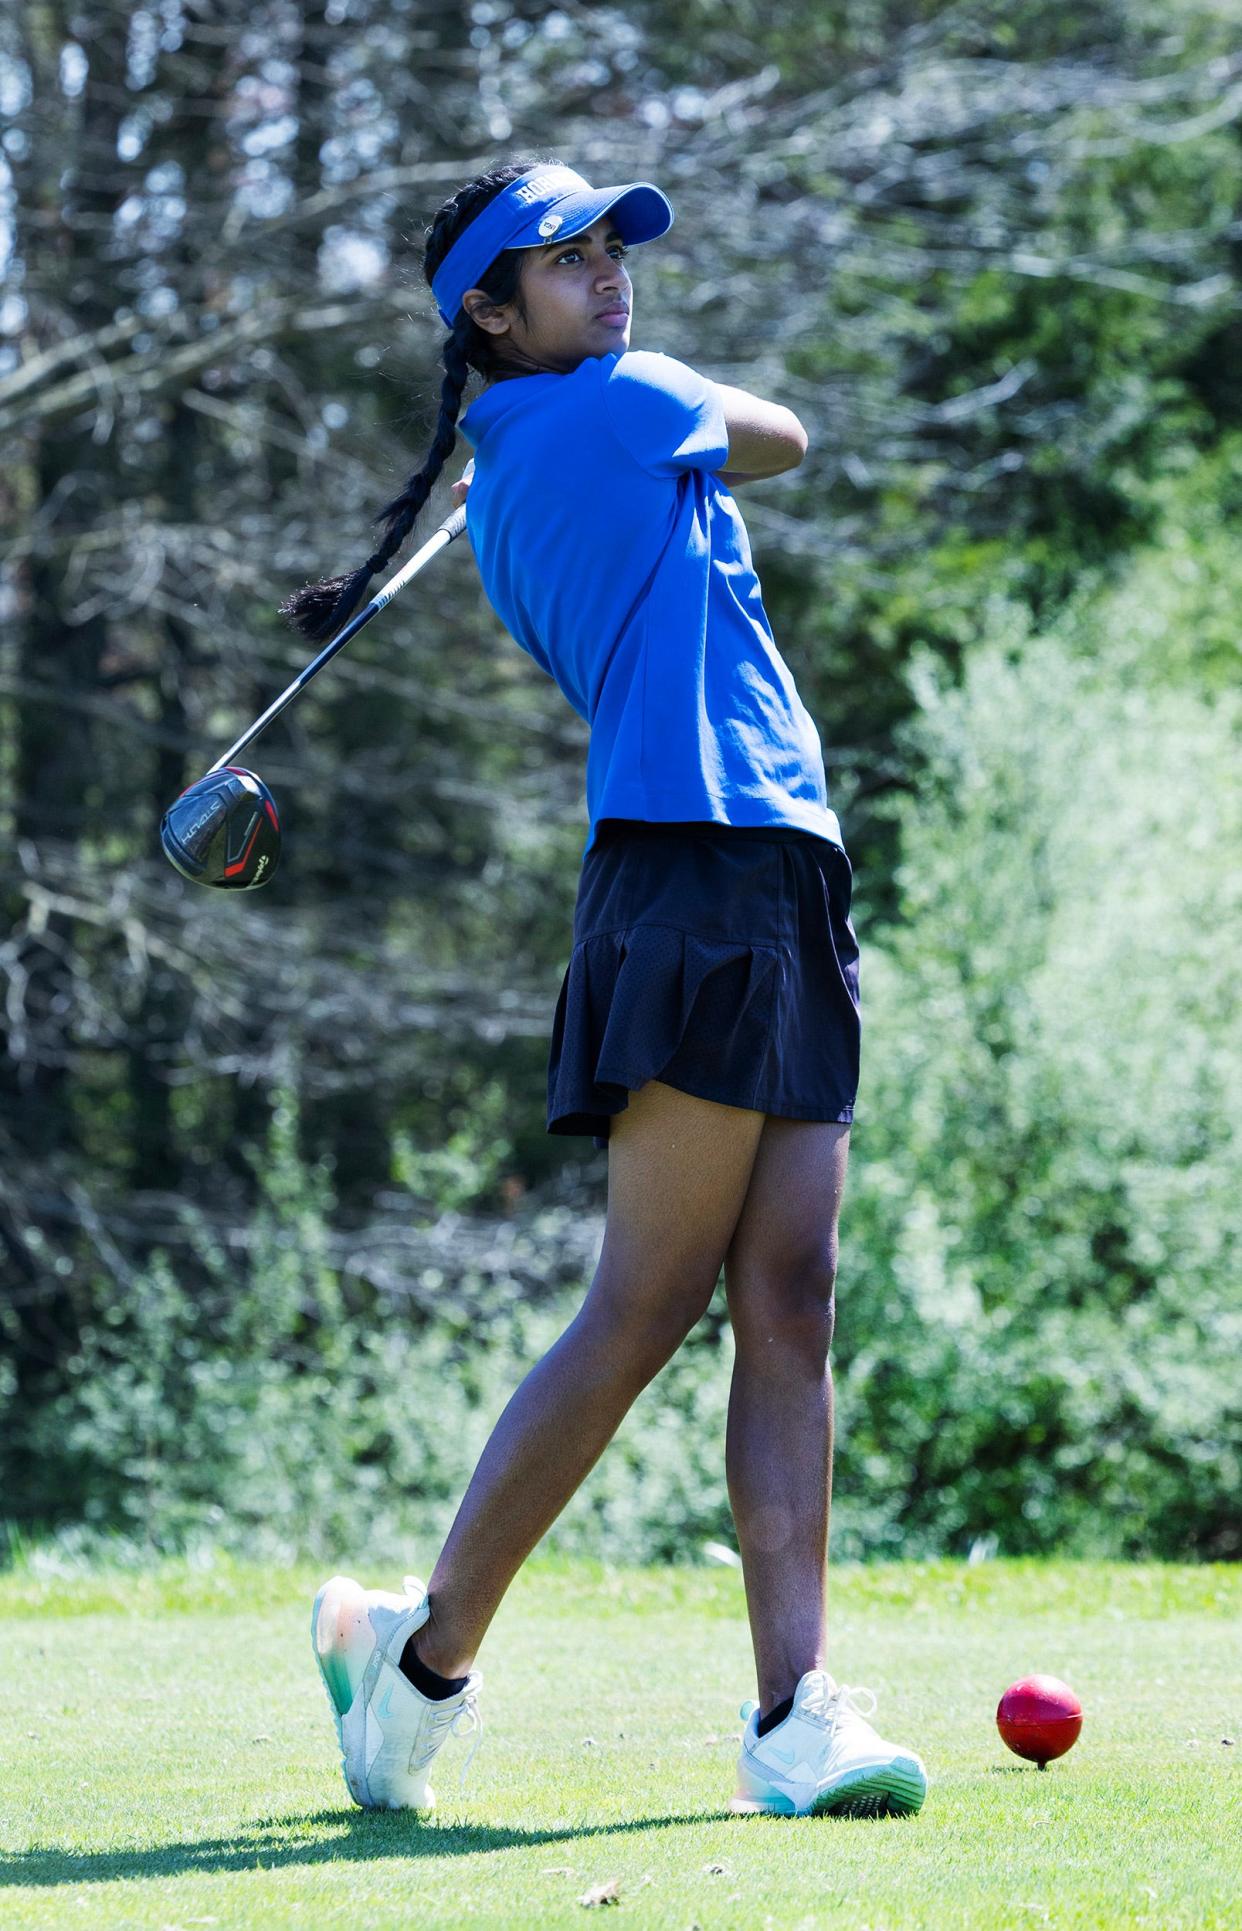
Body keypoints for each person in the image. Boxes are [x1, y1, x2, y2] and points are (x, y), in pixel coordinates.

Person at [283, 159, 927, 1821]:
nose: (601, 275)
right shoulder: (623, 406)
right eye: (554, 263)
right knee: (644, 1307)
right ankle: (417, 1676)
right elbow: (785, 432)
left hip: (778, 861)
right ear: (486, 316)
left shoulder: (531, 451)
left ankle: (795, 1716)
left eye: (603, 249)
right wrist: (654, 390)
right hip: (692, 865)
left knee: (787, 1298)